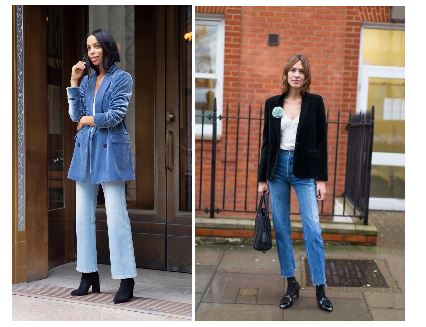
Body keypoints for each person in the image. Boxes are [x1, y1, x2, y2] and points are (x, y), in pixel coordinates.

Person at [257, 54, 333, 312]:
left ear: (306, 76)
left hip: (304, 171)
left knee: (313, 228)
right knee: (281, 227)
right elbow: (267, 143)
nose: (297, 74)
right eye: (293, 70)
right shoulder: (272, 104)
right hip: (277, 170)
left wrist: (322, 179)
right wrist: (261, 179)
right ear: (286, 73)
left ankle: (321, 287)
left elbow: (321, 143)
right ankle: (291, 283)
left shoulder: (315, 103)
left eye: (301, 70)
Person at [66, 29, 137, 304]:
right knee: (82, 215)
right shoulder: (86, 80)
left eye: (97, 46)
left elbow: (116, 115)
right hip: (85, 151)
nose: (92, 51)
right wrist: (73, 81)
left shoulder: (122, 78)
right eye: (89, 47)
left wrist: (88, 120)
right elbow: (75, 115)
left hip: (111, 152)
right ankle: (88, 274)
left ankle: (125, 278)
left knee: (116, 215)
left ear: (107, 47)